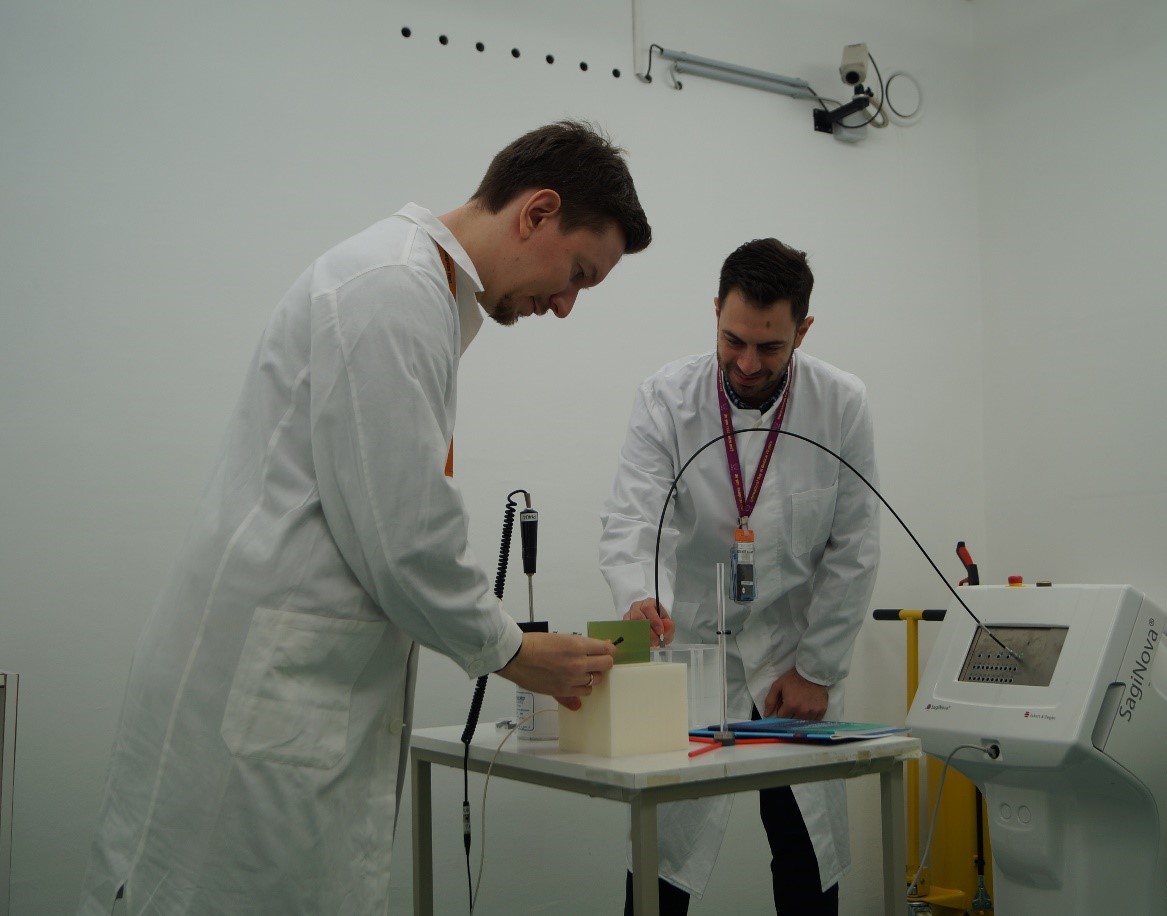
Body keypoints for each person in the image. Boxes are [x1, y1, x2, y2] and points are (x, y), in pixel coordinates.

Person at [77, 120, 652, 914]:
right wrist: (512, 650)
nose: (564, 306)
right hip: (267, 697)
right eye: (578, 274)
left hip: (296, 692)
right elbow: (406, 539)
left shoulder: (418, 295)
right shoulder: (389, 289)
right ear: (536, 212)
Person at [599, 238, 880, 914]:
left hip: (791, 654)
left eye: (770, 347)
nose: (748, 364)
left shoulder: (841, 403)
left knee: (804, 843)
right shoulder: (667, 398)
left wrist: (816, 668)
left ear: (802, 331)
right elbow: (635, 520)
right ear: (715, 312)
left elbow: (854, 547)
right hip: (690, 646)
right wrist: (643, 599)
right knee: (662, 845)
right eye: (733, 340)